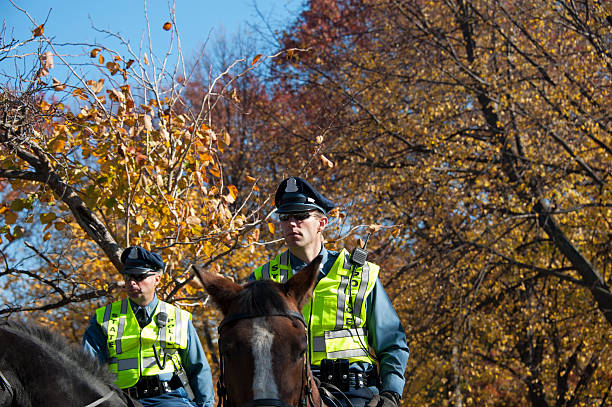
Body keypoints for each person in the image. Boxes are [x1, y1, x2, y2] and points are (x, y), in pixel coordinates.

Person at [250, 177, 409, 407]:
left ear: (322, 223)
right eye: (285, 217)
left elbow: (392, 342)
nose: (291, 223)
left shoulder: (360, 274)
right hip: (289, 395)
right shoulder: (263, 279)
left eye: (301, 215)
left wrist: (391, 394)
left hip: (356, 394)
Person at [83, 246, 215, 407]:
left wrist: (206, 405)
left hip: (169, 399)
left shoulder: (179, 318)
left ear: (157, 279)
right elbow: (88, 368)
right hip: (119, 400)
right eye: (127, 277)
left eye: (139, 276)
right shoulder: (103, 318)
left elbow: (198, 367)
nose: (131, 283)